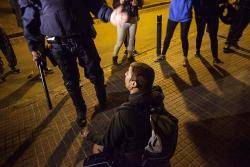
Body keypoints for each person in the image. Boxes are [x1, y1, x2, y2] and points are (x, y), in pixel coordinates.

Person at [18, 0, 128, 127]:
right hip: (57, 44)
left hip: (83, 37)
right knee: (71, 81)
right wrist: (33, 46)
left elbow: (94, 4)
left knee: (95, 73)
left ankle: (103, 100)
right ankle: (80, 111)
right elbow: (29, 18)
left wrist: (109, 14)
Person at [83, 62, 169, 166]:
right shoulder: (155, 97)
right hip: (145, 145)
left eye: (128, 72)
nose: (125, 74)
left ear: (133, 83)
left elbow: (107, 141)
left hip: (129, 157)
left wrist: (89, 135)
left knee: (95, 149)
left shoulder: (126, 112)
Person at [158, 0, 193, 67]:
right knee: (168, 36)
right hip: (173, 15)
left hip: (185, 16)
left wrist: (187, 9)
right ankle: (163, 55)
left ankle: (185, 58)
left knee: (183, 37)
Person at [112, 0, 141, 65]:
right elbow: (114, 5)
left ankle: (129, 57)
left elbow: (141, 2)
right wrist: (120, 2)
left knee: (131, 40)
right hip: (122, 21)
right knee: (120, 41)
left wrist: (137, 3)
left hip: (133, 19)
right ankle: (114, 57)